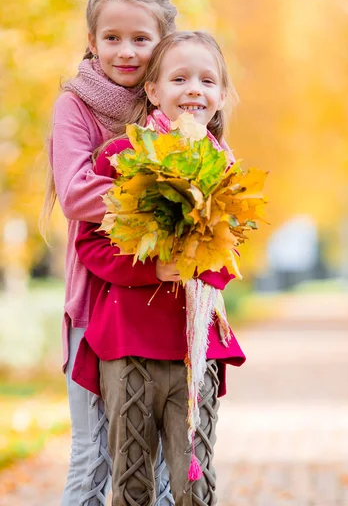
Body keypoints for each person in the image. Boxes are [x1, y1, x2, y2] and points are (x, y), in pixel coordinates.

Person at [72, 31, 246, 506]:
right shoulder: (122, 157)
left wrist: (202, 263)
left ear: (221, 95)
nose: (194, 89)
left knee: (195, 481)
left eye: (207, 80)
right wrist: (155, 269)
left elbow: (231, 251)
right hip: (130, 342)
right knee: (131, 480)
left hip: (195, 349)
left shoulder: (225, 167)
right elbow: (92, 245)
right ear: (153, 91)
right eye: (180, 78)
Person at [41, 0, 177, 506]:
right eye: (112, 37)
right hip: (94, 301)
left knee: (163, 455)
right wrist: (162, 188)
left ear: (162, 43)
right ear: (92, 41)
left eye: (141, 39)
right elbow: (76, 194)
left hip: (161, 299)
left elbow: (211, 180)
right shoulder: (75, 105)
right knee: (93, 450)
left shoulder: (172, 99)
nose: (127, 51)